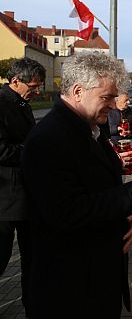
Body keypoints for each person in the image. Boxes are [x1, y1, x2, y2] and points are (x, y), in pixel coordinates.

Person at [21, 52, 132, 318]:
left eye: (114, 97)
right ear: (78, 91)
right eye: (107, 97)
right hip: (69, 290)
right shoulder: (50, 138)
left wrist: (130, 216)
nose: (114, 106)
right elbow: (65, 211)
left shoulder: (88, 129)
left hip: (95, 281)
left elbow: (102, 190)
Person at [0, 58, 45, 317]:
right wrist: (31, 151)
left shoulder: (22, 103)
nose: (37, 91)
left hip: (26, 198)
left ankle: (34, 306)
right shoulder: (2, 103)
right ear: (15, 81)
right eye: (34, 86)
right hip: (5, 198)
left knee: (33, 257)